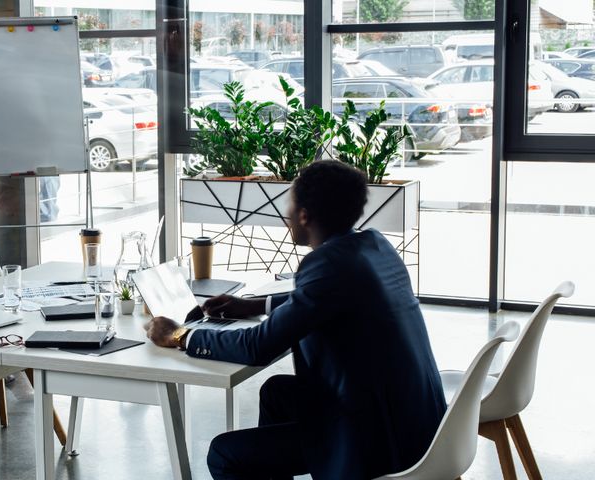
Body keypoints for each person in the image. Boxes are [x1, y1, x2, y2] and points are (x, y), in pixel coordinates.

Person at [144, 161, 446, 480]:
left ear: (303, 214)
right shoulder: (373, 245)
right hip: (417, 424)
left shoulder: (327, 264)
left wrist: (180, 336)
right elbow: (326, 300)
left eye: (288, 203)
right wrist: (252, 305)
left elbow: (256, 346)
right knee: (276, 392)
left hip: (379, 443)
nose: (285, 213)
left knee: (224, 454)